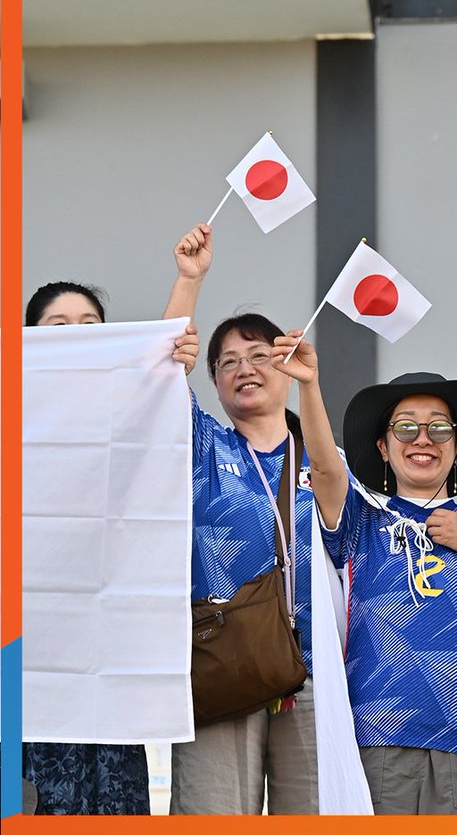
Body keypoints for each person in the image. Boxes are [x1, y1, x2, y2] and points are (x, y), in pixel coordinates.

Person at [304, 367, 457, 815]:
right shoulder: (359, 522)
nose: (422, 439)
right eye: (405, 427)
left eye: (439, 427)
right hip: (378, 738)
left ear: (456, 446)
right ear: (383, 445)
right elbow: (323, 469)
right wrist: (308, 384)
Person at [162, 223, 326, 815]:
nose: (243, 368)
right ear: (214, 383)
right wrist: (190, 279)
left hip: (313, 675)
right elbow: (158, 380)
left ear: (288, 365)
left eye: (260, 354)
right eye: (227, 362)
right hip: (223, 661)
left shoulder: (327, 460)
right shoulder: (205, 446)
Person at [23, 281, 199, 816]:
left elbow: (150, 370)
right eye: (59, 326)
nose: (77, 336)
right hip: (30, 661)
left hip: (110, 662)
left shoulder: (125, 417)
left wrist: (186, 286)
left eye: (91, 326)